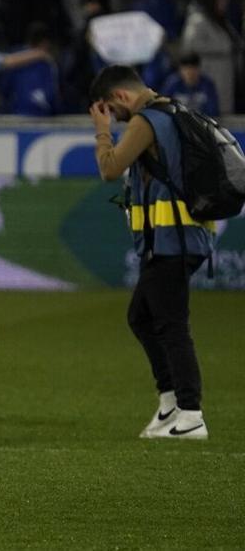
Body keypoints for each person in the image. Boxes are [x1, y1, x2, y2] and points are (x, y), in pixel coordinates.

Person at [88, 65, 213, 440]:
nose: (114, 116)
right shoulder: (173, 111)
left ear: (122, 96)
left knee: (171, 325)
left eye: (112, 108)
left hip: (169, 239)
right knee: (141, 316)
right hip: (176, 236)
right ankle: (170, 403)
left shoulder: (147, 120)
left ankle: (191, 415)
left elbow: (110, 168)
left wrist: (102, 132)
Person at [159, 53, 221, 117]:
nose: (190, 73)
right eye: (186, 69)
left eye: (193, 69)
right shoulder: (172, 84)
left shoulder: (207, 85)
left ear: (199, 69)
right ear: (180, 70)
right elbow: (163, 106)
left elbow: (213, 111)